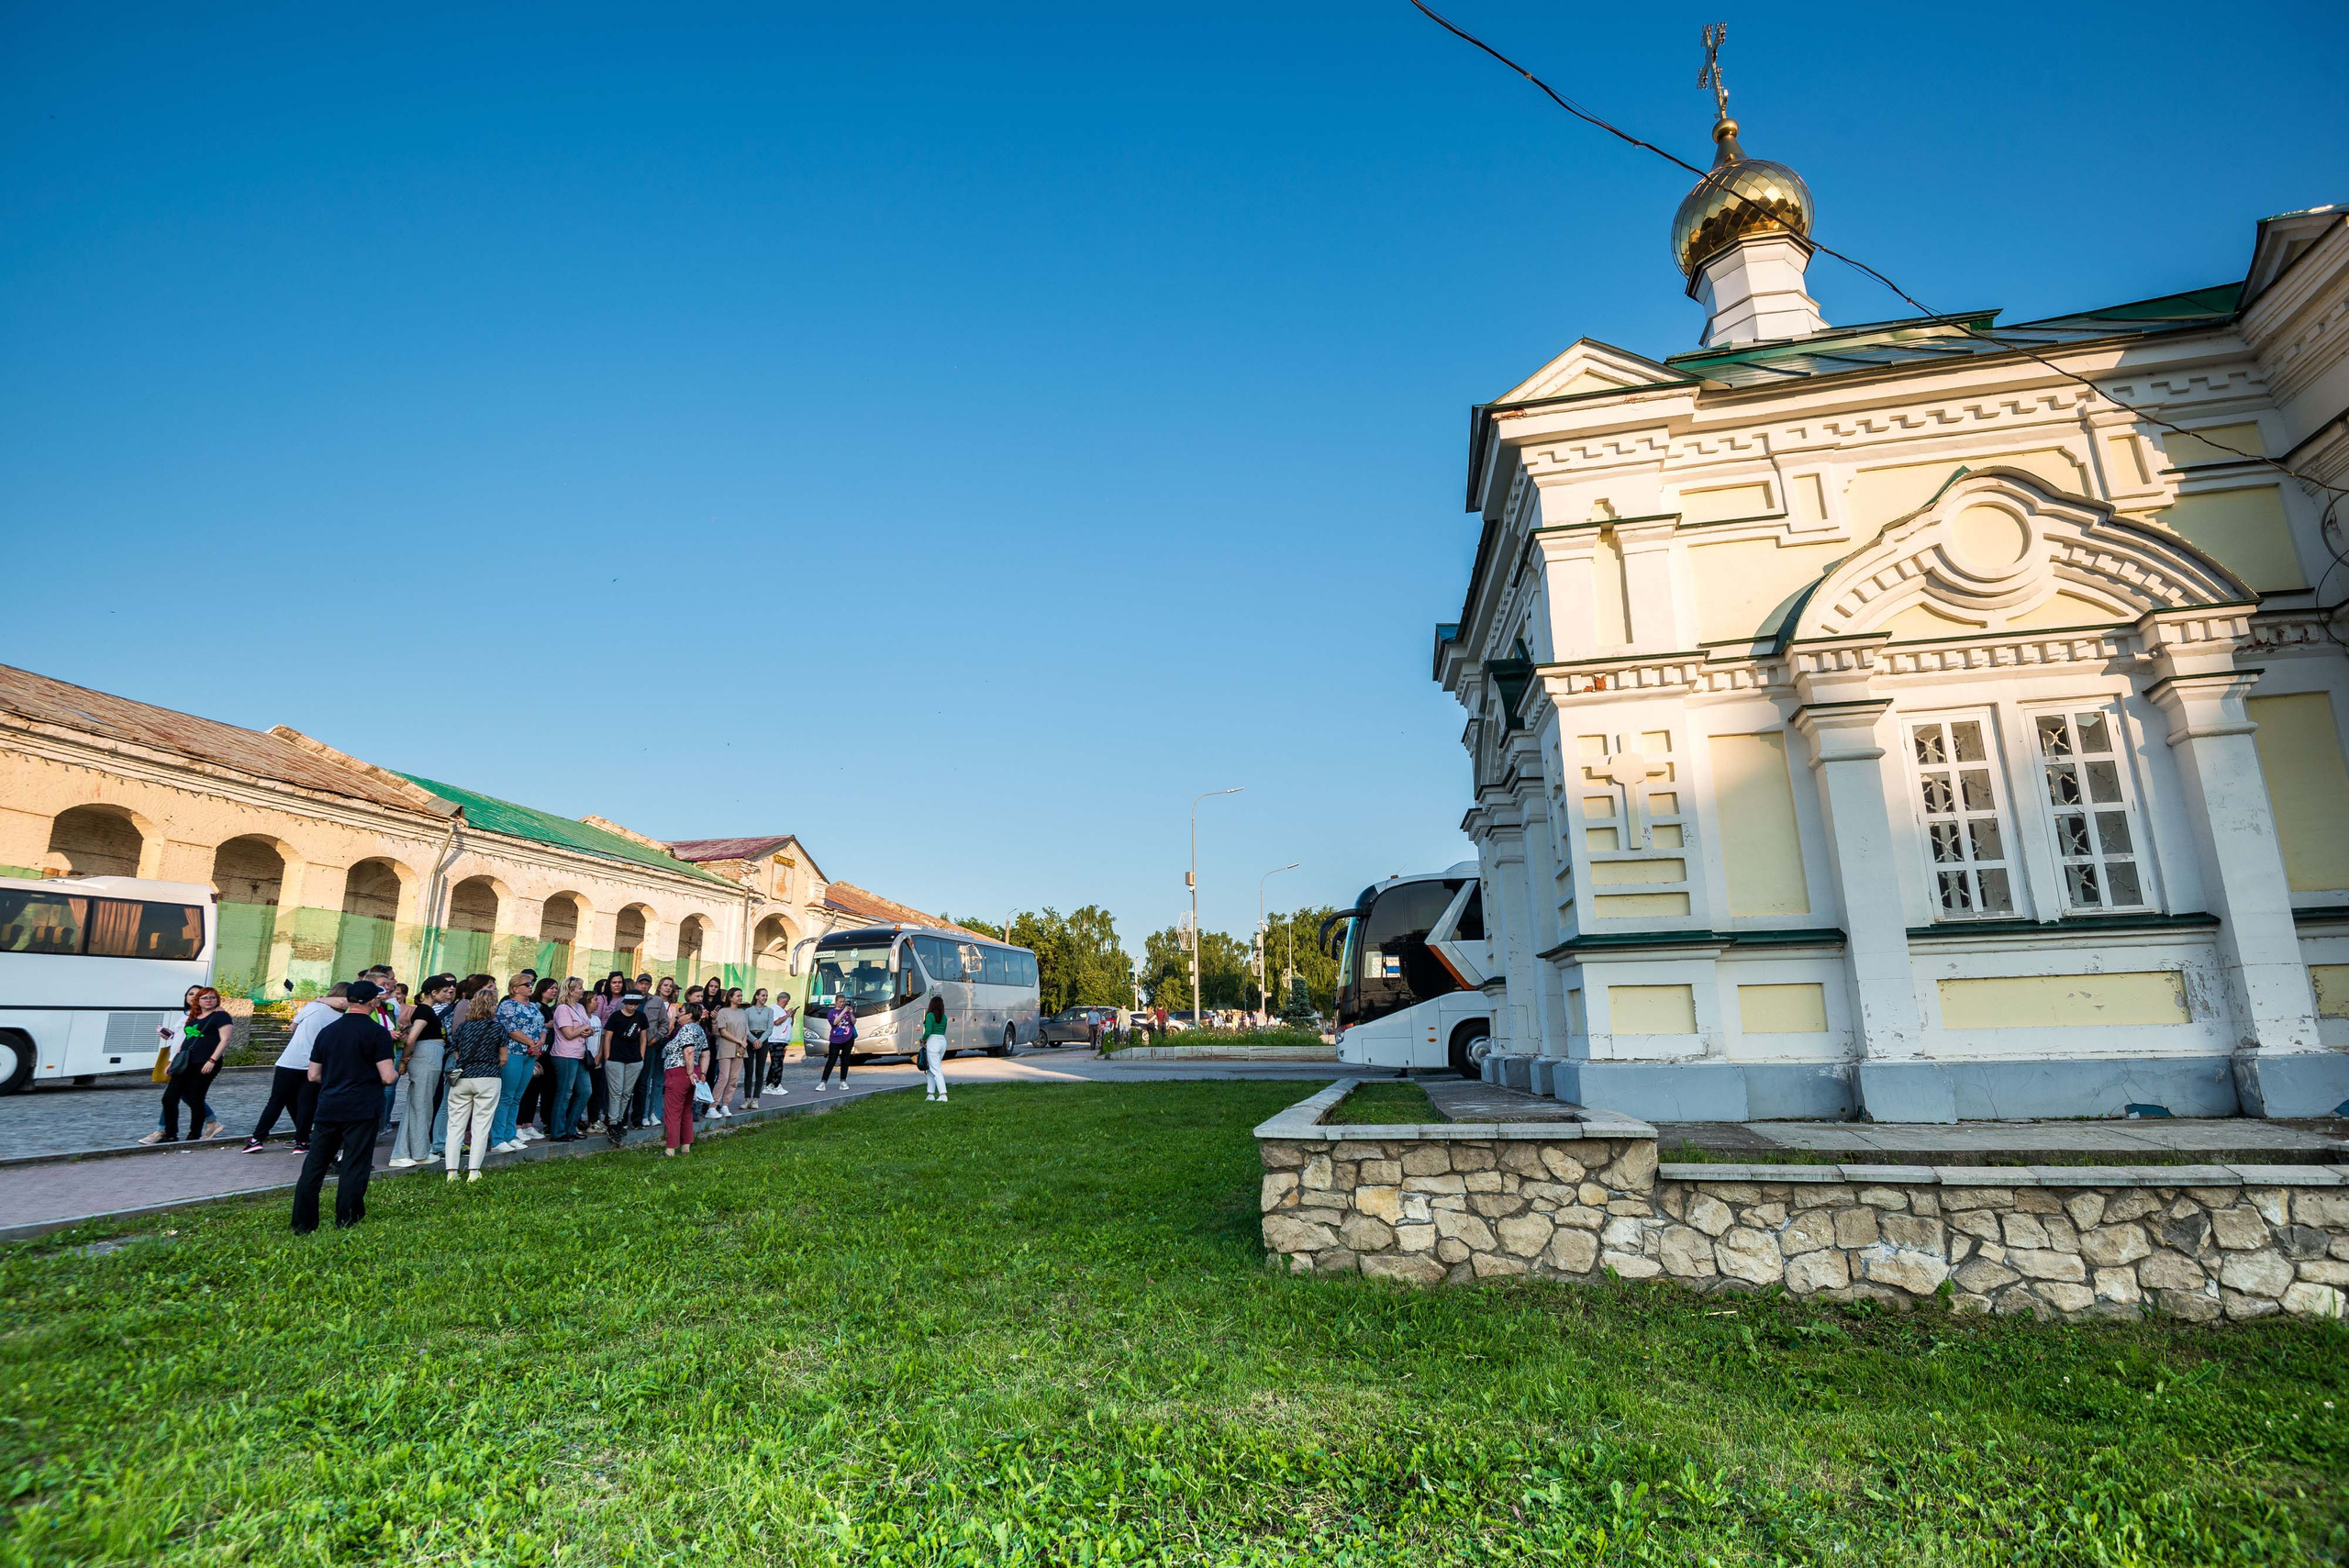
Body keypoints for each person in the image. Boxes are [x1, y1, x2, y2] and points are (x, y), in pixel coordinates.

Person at [292, 979, 397, 1232]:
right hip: (362, 1107)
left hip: (329, 1105)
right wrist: (395, 1072)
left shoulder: (328, 1031)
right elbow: (387, 1077)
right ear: (372, 1002)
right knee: (355, 1163)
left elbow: (313, 1075)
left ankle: (303, 1223)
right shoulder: (377, 1033)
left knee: (315, 1165)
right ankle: (347, 1218)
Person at [244, 983, 346, 1152]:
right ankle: (301, 1141)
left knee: (276, 1102)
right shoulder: (342, 1018)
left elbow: (293, 1027)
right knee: (307, 1103)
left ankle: (257, 1139)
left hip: (290, 1060)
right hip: (316, 1063)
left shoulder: (313, 1006)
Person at [387, 975, 453, 1168]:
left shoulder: (426, 1010)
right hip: (426, 1056)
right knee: (421, 1105)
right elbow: (411, 1038)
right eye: (444, 991)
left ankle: (415, 1151)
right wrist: (404, 1060)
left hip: (429, 1055)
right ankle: (410, 1152)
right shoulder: (424, 1011)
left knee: (420, 1105)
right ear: (433, 992)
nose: (448, 994)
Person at [153, 987, 233, 1142]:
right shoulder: (194, 1017)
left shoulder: (221, 1016)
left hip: (205, 1062)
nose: (208, 1000)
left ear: (217, 1000)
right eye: (204, 998)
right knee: (169, 1098)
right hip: (186, 1061)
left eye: (212, 997)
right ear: (198, 1001)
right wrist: (174, 1061)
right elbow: (186, 1041)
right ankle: (170, 1134)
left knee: (196, 1098)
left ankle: (194, 1134)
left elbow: (225, 1040)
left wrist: (212, 1060)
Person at [442, 989, 506, 1181]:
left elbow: (456, 1055)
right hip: (488, 1078)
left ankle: (451, 1172)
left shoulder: (463, 1027)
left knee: (455, 1125)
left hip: (462, 1078)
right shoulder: (498, 1028)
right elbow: (504, 1058)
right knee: (481, 1126)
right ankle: (474, 1171)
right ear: (493, 1006)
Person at [491, 975, 546, 1153]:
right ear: (515, 988)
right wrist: (532, 1043)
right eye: (526, 984)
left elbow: (543, 1027)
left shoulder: (534, 1007)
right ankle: (498, 1138)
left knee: (517, 1096)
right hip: (513, 1053)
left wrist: (539, 1043)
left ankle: (510, 1134)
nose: (531, 986)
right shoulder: (508, 1005)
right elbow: (510, 1029)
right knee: (506, 1096)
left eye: (531, 984)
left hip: (530, 1055)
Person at [597, 991, 651, 1144]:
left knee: (626, 1092)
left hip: (634, 1059)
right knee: (616, 1091)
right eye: (630, 1004)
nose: (633, 1007)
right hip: (616, 1058)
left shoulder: (641, 1017)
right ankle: (613, 1122)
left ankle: (620, 1121)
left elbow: (643, 1038)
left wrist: (641, 1057)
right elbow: (607, 1037)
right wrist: (608, 1057)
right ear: (625, 1003)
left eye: (636, 1004)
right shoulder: (616, 1016)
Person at [548, 979, 595, 1141]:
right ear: (571, 991)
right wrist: (583, 1029)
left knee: (586, 1091)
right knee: (565, 1093)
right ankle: (558, 1131)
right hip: (565, 1055)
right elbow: (568, 1034)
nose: (583, 990)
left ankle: (571, 1127)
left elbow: (587, 1027)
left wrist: (588, 1031)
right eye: (580, 988)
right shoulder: (562, 1009)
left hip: (580, 1054)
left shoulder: (580, 1007)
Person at [661, 1003, 707, 1155]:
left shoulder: (686, 1029)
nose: (678, 1014)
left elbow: (689, 1050)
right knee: (686, 1110)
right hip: (694, 1071)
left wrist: (689, 1072)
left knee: (673, 1112)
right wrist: (702, 1073)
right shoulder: (699, 1029)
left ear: (689, 1015)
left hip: (679, 1073)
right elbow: (705, 1053)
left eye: (681, 1012)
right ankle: (686, 1146)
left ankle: (670, 1149)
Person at [710, 986, 750, 1117]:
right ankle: (713, 1105)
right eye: (738, 995)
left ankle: (725, 1104)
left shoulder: (742, 1012)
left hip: (740, 1049)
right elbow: (723, 1031)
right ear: (730, 997)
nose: (740, 998)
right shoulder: (723, 1012)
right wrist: (739, 1042)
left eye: (741, 995)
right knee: (724, 1077)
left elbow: (746, 1030)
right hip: (726, 1047)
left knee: (734, 1078)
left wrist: (743, 1044)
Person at [741, 988, 775, 1111]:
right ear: (756, 996)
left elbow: (770, 1028)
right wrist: (753, 1040)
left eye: (766, 995)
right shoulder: (748, 1011)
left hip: (763, 1039)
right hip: (750, 1038)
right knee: (748, 1070)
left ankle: (756, 1098)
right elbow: (745, 1027)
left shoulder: (769, 1011)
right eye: (762, 995)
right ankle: (747, 1099)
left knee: (760, 1070)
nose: (765, 998)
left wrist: (760, 1040)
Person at [815, 991, 856, 1090]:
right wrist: (843, 1012)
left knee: (845, 1060)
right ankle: (823, 1082)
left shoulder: (848, 1011)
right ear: (836, 1002)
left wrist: (850, 1013)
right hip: (835, 1039)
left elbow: (854, 1022)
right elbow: (834, 1022)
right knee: (831, 1060)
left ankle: (843, 1081)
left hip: (848, 1038)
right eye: (840, 1002)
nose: (842, 1004)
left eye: (843, 1002)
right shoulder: (832, 1012)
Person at [919, 994, 949, 1103]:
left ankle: (943, 1094)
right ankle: (930, 1094)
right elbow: (944, 1030)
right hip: (942, 1041)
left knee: (935, 1069)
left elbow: (928, 1031)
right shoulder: (944, 1017)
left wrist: (923, 1040)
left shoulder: (929, 1016)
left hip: (933, 1041)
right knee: (932, 1068)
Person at [768, 986, 798, 1087]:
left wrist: (792, 1015)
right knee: (777, 1064)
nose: (787, 1003)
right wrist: (787, 1015)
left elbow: (790, 1024)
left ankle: (769, 1084)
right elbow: (776, 1022)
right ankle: (776, 1085)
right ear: (781, 999)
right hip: (775, 1040)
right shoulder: (774, 1009)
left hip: (783, 1041)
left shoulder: (784, 1011)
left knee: (776, 1063)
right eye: (786, 1001)